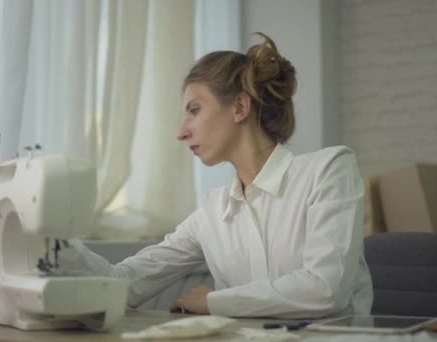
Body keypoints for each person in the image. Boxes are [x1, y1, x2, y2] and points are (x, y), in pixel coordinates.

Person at [64, 33, 373, 319]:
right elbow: (124, 283)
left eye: (194, 110)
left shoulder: (328, 170)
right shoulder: (211, 212)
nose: (181, 131)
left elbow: (325, 288)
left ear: (239, 107)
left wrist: (215, 301)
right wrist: (54, 244)